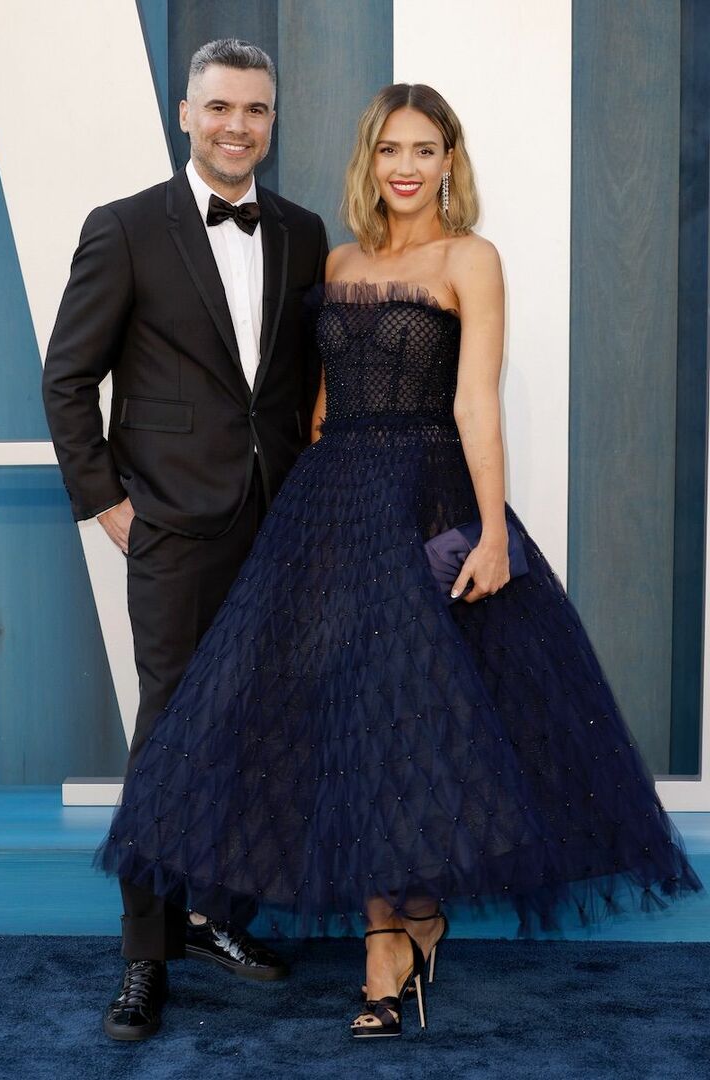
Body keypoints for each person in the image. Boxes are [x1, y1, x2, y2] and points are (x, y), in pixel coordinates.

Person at [94, 82, 702, 1040]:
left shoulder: (471, 259)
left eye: (424, 149)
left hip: (428, 500)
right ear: (368, 161)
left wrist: (492, 532)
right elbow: (318, 408)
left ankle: (395, 939)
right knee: (345, 713)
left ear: (450, 161)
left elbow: (474, 402)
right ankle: (398, 926)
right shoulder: (335, 260)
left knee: (410, 713)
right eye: (389, 150)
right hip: (333, 507)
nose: (406, 167)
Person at [42, 38, 328, 1040]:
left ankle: (215, 915)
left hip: (277, 524)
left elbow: (294, 387)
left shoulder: (302, 231)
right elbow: (68, 378)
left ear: (272, 119)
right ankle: (145, 954)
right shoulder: (124, 227)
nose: (237, 126)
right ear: (185, 113)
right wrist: (107, 503)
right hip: (171, 525)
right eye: (219, 107)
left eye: (256, 109)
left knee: (256, 729)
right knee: (169, 735)